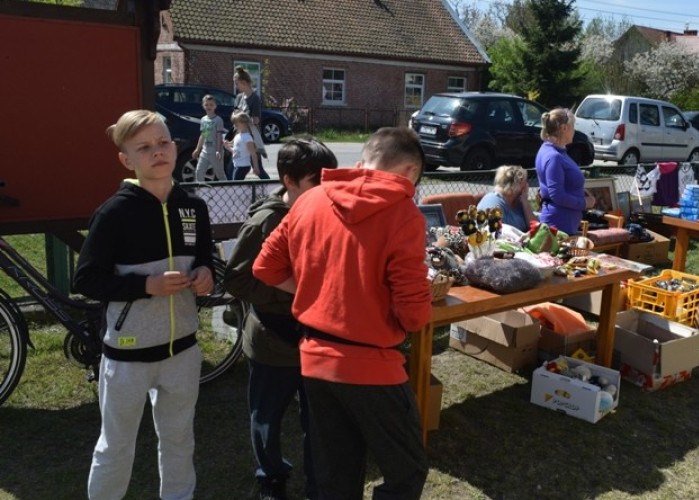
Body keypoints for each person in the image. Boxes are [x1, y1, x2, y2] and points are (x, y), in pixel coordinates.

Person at [252, 127, 431, 499]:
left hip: (315, 359)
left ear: (364, 160)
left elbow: (265, 267)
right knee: (407, 470)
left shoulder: (310, 199)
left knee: (335, 473)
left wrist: (318, 292)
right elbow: (414, 315)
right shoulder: (404, 213)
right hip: (372, 363)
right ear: (411, 171)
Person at [72, 109, 214, 499]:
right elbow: (86, 279)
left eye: (163, 142)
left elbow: (205, 255)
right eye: (144, 147)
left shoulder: (192, 206)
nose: (157, 152)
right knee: (116, 446)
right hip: (127, 357)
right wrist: (145, 285)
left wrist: (206, 272)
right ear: (126, 159)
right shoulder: (114, 213)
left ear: (176, 147)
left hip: (182, 351)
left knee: (179, 439)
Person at [224, 138, 338, 500]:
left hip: (314, 337)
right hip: (273, 339)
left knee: (317, 418)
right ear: (289, 180)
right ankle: (271, 475)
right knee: (267, 415)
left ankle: (318, 476)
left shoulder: (326, 211)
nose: (324, 190)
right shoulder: (267, 221)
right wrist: (292, 291)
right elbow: (237, 280)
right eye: (315, 182)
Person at [535, 107, 595, 235]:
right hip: (559, 225)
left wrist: (580, 191)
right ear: (564, 128)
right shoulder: (554, 156)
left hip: (563, 224)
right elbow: (557, 195)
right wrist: (584, 203)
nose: (574, 130)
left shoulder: (553, 150)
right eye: (573, 126)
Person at [233, 65, 270, 179]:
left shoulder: (255, 98)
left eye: (237, 83)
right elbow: (234, 115)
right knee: (234, 167)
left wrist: (243, 118)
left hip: (251, 137)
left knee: (258, 168)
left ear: (244, 82)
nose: (236, 86)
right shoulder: (239, 98)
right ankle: (234, 187)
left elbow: (256, 120)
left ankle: (269, 186)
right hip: (239, 136)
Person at [476, 164, 536, 232]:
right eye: (525, 182)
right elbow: (495, 233)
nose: (527, 186)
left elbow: (535, 226)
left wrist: (525, 201)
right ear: (517, 185)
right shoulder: (493, 202)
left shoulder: (519, 202)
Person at [192, 94, 226, 181]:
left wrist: (218, 150)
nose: (209, 107)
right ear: (203, 106)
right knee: (199, 172)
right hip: (205, 151)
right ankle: (201, 189)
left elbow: (219, 136)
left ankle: (228, 188)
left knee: (220, 174)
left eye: (211, 105)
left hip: (215, 152)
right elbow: (203, 135)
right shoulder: (203, 120)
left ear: (215, 106)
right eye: (206, 105)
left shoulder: (218, 120)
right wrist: (197, 149)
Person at [226, 112, 260, 181]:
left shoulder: (247, 138)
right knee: (235, 183)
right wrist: (228, 147)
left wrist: (256, 167)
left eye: (237, 123)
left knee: (235, 183)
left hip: (243, 166)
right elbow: (236, 152)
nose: (234, 125)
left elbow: (253, 154)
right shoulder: (238, 136)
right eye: (234, 123)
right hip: (237, 165)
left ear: (245, 124)